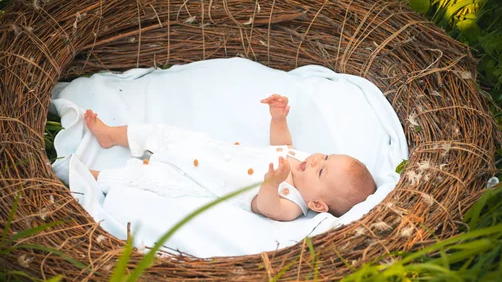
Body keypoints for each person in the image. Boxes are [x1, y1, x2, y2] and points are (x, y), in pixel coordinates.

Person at [84, 94, 376, 221]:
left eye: (321, 172)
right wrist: (277, 119)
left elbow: (268, 208)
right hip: (208, 152)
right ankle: (111, 134)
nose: (315, 161)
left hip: (206, 186)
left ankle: (94, 177)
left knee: (152, 180)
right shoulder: (299, 159)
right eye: (325, 156)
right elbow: (281, 145)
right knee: (163, 133)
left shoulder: (293, 204)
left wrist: (272, 184)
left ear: (317, 204)